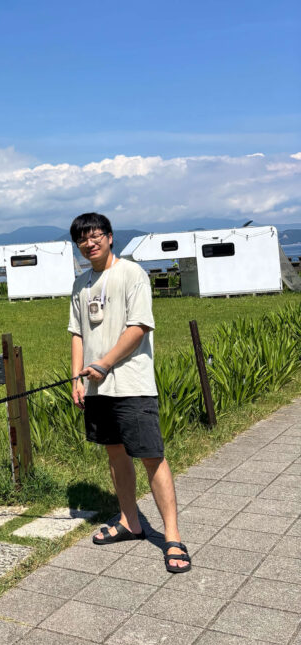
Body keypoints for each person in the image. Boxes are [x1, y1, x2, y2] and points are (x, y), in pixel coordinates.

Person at [67, 212, 191, 573]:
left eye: (95, 236)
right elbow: (77, 333)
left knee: (152, 456)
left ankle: (172, 537)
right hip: (96, 387)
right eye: (82, 239)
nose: (89, 243)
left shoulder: (132, 274)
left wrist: (105, 363)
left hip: (132, 384)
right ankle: (130, 521)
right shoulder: (80, 284)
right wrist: (77, 378)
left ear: (109, 237)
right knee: (115, 454)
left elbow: (139, 327)